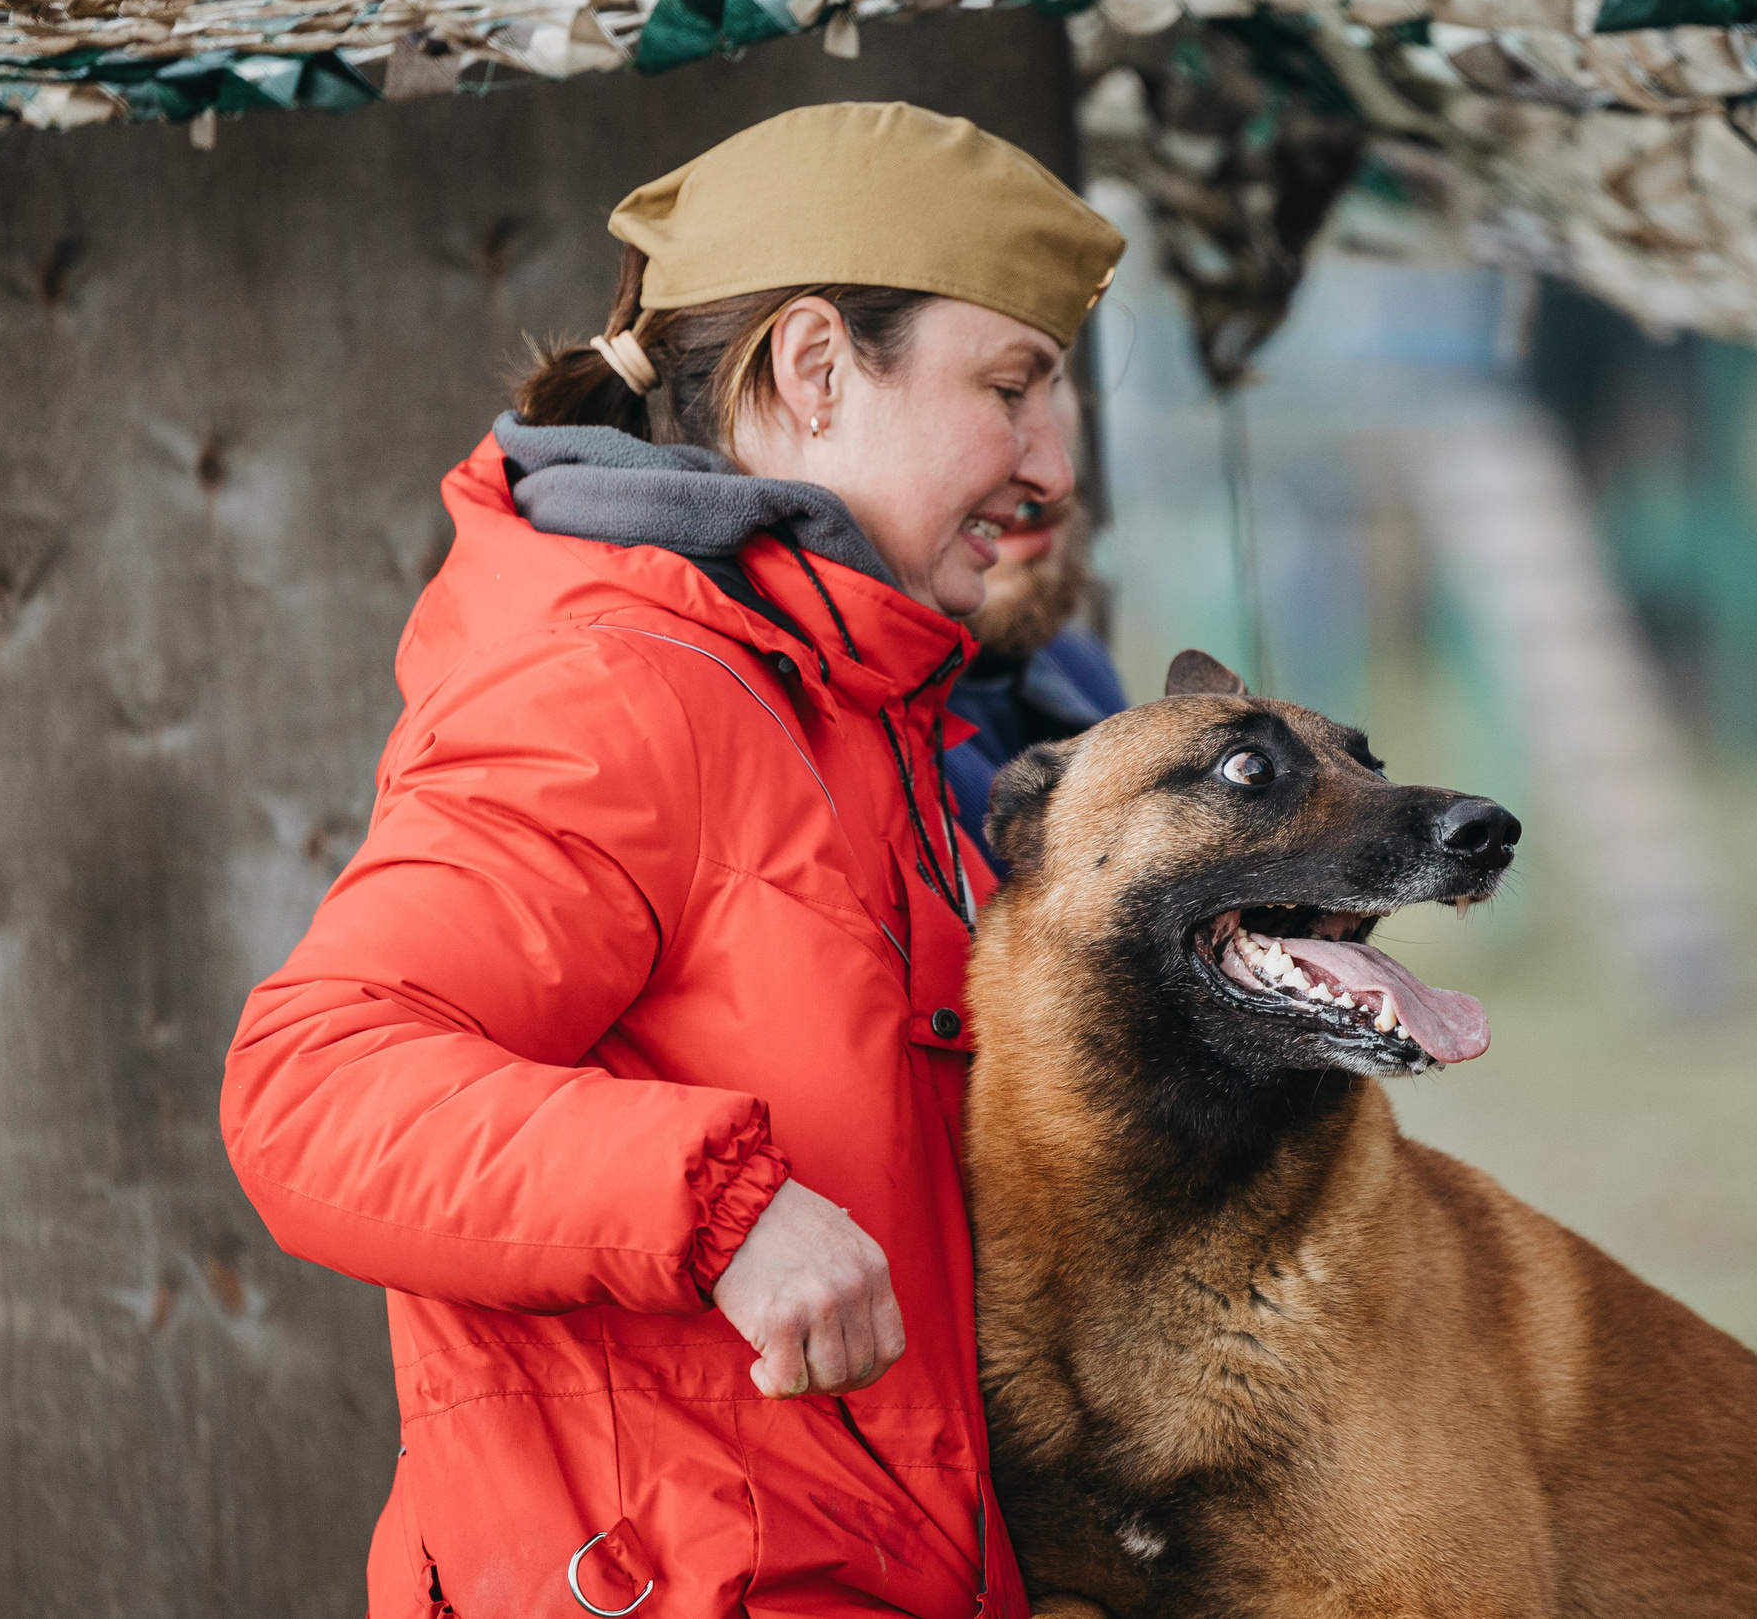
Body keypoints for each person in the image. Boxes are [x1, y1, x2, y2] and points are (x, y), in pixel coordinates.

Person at [219, 102, 1122, 1619]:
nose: (1045, 457)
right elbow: (310, 1085)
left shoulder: (850, 699)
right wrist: (723, 1209)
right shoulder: (623, 687)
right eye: (1012, 384)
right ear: (816, 368)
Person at [944, 491, 1126, 873]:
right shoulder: (824, 734)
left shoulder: (1081, 665)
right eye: (1003, 426)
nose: (1056, 478)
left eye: (1057, 428)